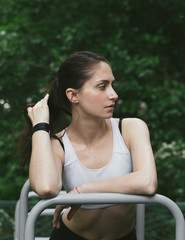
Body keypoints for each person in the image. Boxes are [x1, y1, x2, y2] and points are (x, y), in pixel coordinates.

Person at [19, 51, 157, 240]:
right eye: (102, 87)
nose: (114, 94)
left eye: (112, 85)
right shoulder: (58, 143)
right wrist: (40, 126)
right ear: (73, 95)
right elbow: (46, 187)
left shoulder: (131, 128)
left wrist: (83, 190)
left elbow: (148, 182)